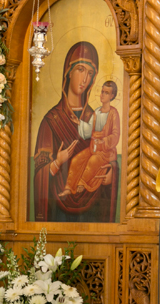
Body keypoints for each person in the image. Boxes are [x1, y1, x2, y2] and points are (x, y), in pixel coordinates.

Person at [33, 41, 118, 223]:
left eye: (90, 73)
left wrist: (111, 172)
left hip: (92, 212)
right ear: (68, 73)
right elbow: (39, 173)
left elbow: (108, 156)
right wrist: (57, 163)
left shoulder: (96, 117)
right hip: (57, 214)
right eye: (80, 69)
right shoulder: (51, 121)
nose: (85, 79)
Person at [60, 80, 120, 198]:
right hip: (93, 147)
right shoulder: (96, 112)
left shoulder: (114, 113)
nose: (102, 95)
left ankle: (82, 184)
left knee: (92, 161)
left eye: (106, 93)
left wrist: (104, 141)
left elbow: (116, 135)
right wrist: (79, 123)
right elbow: (88, 130)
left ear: (112, 96)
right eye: (102, 91)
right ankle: (69, 187)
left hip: (105, 152)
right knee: (76, 160)